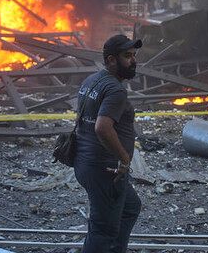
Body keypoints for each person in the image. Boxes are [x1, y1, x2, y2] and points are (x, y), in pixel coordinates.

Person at [73, 34, 142, 253]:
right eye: (127, 56)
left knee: (130, 207)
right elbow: (102, 127)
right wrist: (124, 159)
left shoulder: (91, 81)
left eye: (134, 55)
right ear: (111, 60)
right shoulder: (116, 90)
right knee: (103, 231)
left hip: (86, 163)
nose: (133, 61)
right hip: (106, 170)